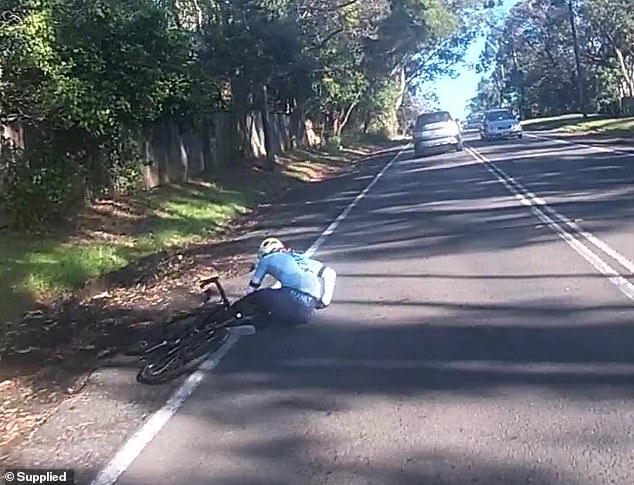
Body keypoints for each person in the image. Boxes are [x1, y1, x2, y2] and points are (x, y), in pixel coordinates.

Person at [233, 237, 337, 326]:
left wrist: (246, 300)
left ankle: (229, 314)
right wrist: (324, 301)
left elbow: (251, 288)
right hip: (309, 308)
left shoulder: (267, 259)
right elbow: (330, 273)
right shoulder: (301, 258)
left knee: (257, 296)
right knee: (278, 298)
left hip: (291, 296)